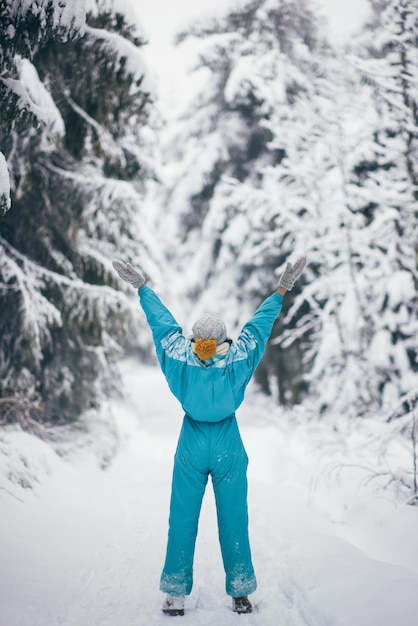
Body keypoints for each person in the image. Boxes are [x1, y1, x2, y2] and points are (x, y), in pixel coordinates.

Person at [112, 257, 306, 616]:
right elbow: (259, 327)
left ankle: (174, 594)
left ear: (195, 339)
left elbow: (162, 325)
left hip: (191, 443)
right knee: (234, 516)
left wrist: (142, 287)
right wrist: (281, 290)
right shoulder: (238, 357)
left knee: (182, 516)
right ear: (221, 339)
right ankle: (241, 593)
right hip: (228, 444)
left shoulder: (179, 355)